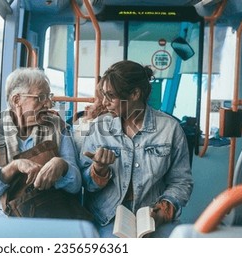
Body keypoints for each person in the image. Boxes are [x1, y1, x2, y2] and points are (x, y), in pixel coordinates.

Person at [79, 60, 193, 237]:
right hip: (107, 218)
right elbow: (85, 184)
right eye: (103, 95)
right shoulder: (99, 127)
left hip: (153, 216)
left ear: (134, 94)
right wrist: (98, 170)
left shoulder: (170, 129)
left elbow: (181, 182)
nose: (104, 102)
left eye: (111, 96)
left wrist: (163, 211)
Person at [0, 67, 81, 218]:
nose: (49, 104)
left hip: (47, 215)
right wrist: (11, 169)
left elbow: (76, 186)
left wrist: (63, 166)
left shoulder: (58, 127)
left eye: (49, 97)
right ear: (17, 100)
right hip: (1, 219)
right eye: (41, 97)